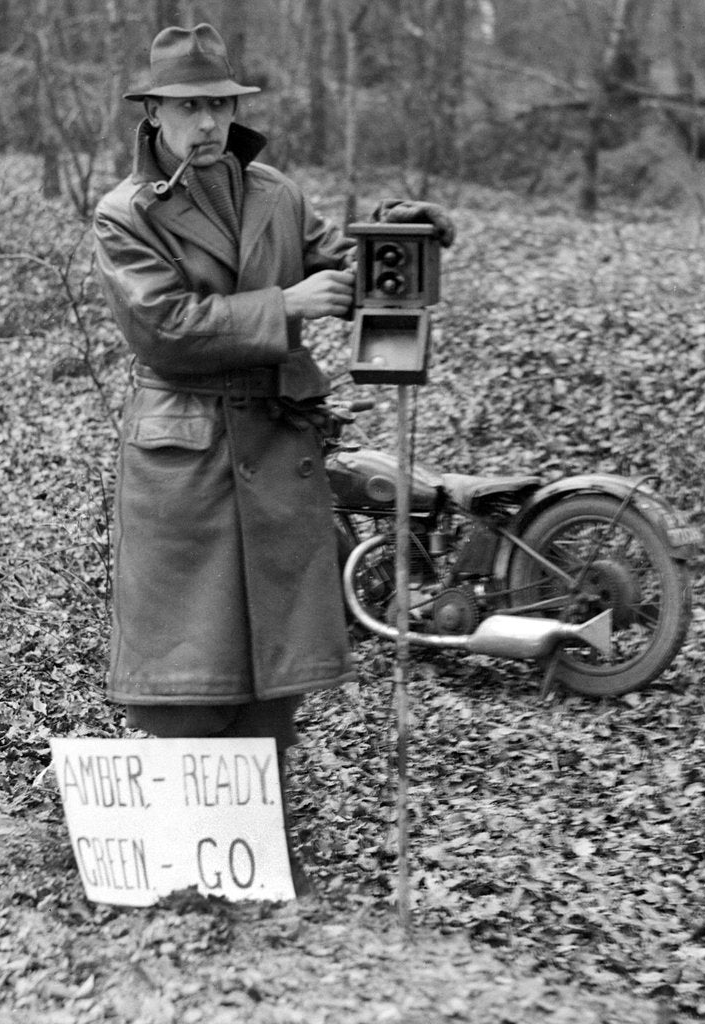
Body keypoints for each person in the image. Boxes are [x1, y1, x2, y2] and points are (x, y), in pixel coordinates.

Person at [93, 23, 454, 894]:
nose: (207, 123)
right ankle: (189, 861)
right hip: (186, 457)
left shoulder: (276, 194)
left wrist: (398, 241)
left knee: (272, 673)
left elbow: (349, 267)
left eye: (219, 105)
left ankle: (261, 860)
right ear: (155, 113)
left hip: (276, 444)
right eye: (188, 106)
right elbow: (166, 330)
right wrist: (284, 303)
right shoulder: (126, 213)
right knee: (185, 676)